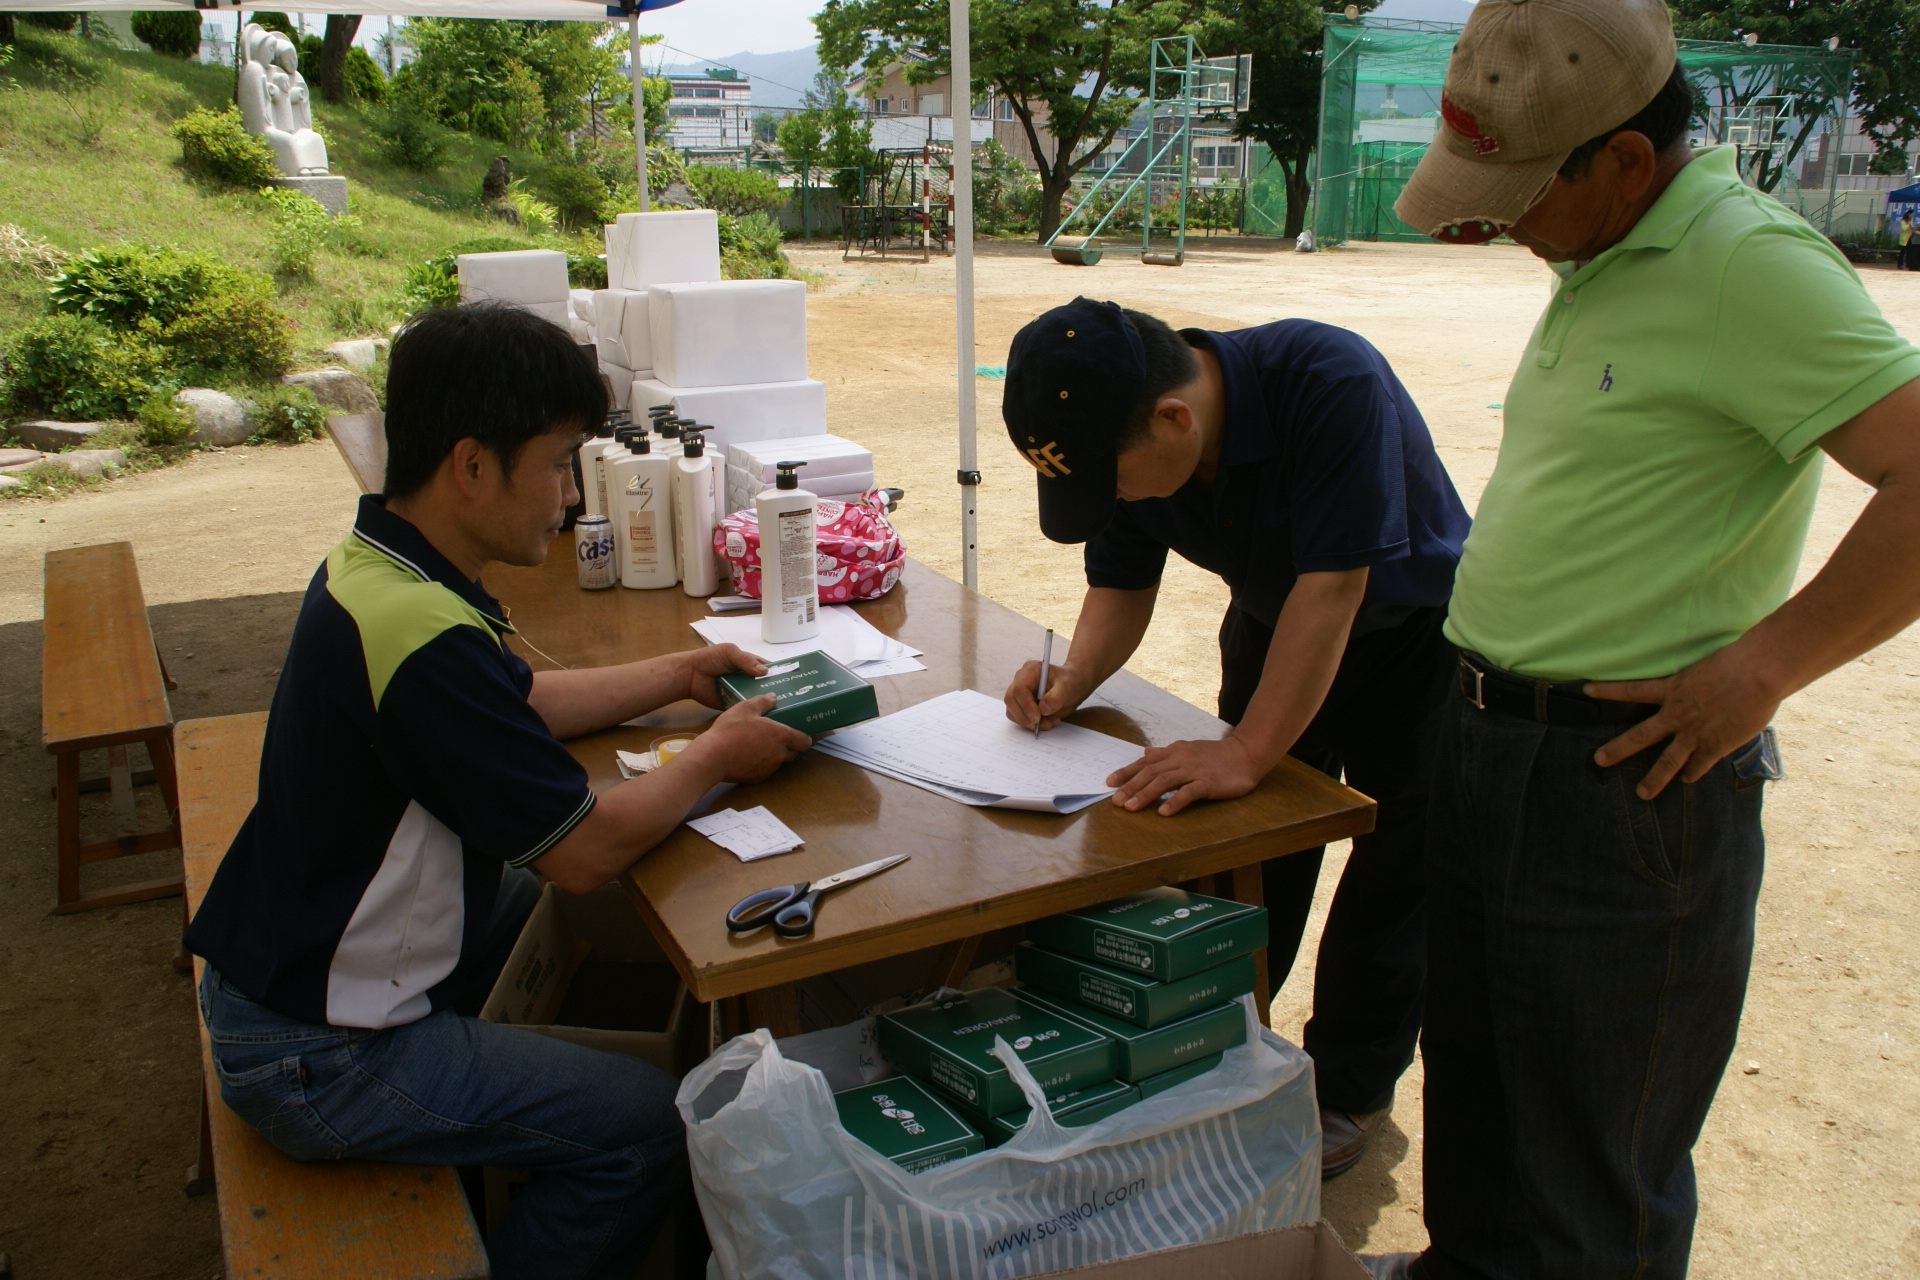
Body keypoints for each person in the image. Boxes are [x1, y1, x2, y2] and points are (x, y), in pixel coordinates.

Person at [1376, 0, 1920, 1275]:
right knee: (1475, 1086)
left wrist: (1768, 664)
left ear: (1623, 159)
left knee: (1592, 1164)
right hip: (1485, 739)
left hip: (1622, 781)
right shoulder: (1603, 252)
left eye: (1517, 191)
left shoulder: (1746, 262)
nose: (1495, 219)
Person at [183, 304, 811, 1280]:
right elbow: (586, 852)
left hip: (281, 975)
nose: (567, 495)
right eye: (558, 464)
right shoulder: (425, 637)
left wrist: (676, 677)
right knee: (644, 1125)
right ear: (472, 466)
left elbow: (515, 696)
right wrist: (717, 754)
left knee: (528, 911)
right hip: (324, 1052)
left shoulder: (384, 570)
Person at [999, 297, 1471, 1177]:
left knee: (1399, 867)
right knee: (1249, 851)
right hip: (1270, 622)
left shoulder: (1331, 380)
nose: (1115, 499)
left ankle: (1349, 1087)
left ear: (1175, 418)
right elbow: (1122, 584)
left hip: (1413, 634)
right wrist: (1071, 680)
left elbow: (1334, 591)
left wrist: (1249, 750)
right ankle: (1224, 1054)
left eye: (1116, 482)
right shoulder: (1132, 439)